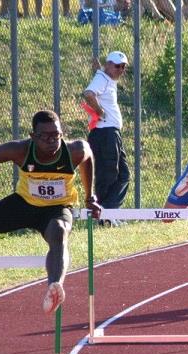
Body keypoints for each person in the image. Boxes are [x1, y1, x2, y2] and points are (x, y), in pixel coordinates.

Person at [0, 110, 102, 315]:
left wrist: (90, 196)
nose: (51, 140)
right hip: (23, 204)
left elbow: (88, 156)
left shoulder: (74, 150)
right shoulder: (19, 150)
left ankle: (54, 287)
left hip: (57, 208)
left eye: (56, 135)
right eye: (44, 136)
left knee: (59, 232)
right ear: (33, 136)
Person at [83, 51, 130, 227]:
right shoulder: (103, 78)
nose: (121, 69)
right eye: (117, 66)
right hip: (105, 133)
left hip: (111, 134)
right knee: (108, 174)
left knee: (123, 175)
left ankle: (108, 213)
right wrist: (100, 111)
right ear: (109, 65)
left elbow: (97, 82)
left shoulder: (104, 77)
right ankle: (104, 215)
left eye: (123, 67)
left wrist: (98, 70)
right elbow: (89, 93)